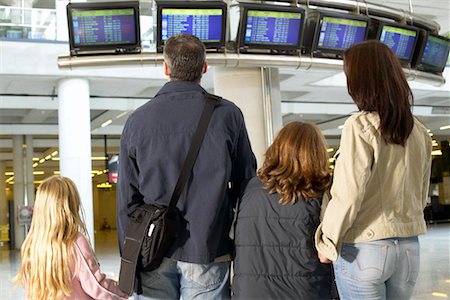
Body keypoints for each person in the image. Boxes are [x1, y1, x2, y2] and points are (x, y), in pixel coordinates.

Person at [117, 33, 256, 299]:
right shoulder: (227, 115)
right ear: (204, 68)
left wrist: (131, 254)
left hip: (153, 249)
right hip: (207, 246)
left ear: (166, 68)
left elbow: (127, 198)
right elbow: (247, 182)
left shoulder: (137, 121)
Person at [315, 40, 432, 300]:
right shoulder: (419, 131)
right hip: (409, 249)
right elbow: (420, 193)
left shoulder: (359, 126)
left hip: (365, 248)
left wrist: (328, 242)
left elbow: (348, 194)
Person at [232, 121, 334, 300]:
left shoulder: (248, 188)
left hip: (251, 293)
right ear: (316, 154)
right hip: (307, 291)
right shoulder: (321, 192)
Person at [15, 175, 128, 300]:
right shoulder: (75, 241)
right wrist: (123, 292)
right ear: (70, 206)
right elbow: (96, 286)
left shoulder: (31, 245)